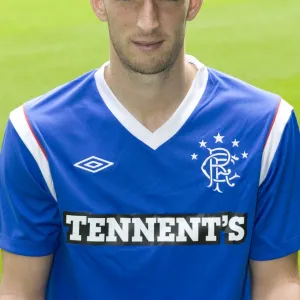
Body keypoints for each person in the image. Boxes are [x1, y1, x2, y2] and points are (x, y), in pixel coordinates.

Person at [0, 0, 300, 299]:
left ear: (192, 4)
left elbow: (278, 282)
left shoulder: (266, 126)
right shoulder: (37, 135)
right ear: (99, 4)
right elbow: (20, 290)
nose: (148, 22)